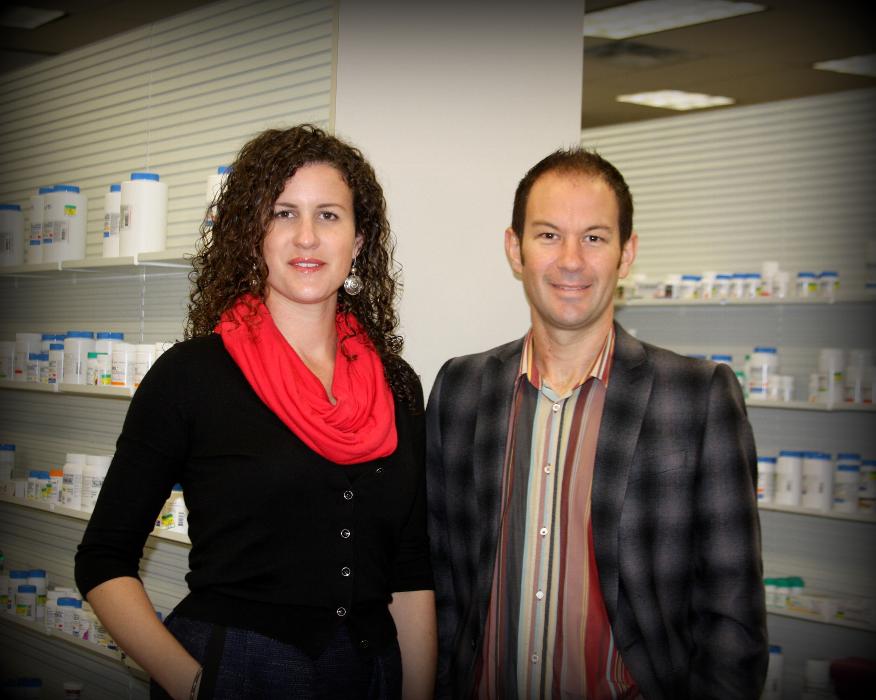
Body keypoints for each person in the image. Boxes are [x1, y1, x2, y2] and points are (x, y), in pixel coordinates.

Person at [75, 125, 436, 700]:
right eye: (283, 214)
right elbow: (103, 559)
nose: (306, 237)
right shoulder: (191, 376)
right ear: (253, 234)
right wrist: (194, 683)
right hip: (236, 670)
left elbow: (410, 567)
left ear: (359, 240)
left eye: (328, 215)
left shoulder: (398, 385)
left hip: (372, 674)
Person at [425, 148, 767, 699]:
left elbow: (733, 614)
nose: (571, 261)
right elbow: (440, 579)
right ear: (514, 249)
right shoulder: (459, 391)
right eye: (548, 235)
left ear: (626, 253)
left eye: (594, 237)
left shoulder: (697, 397)